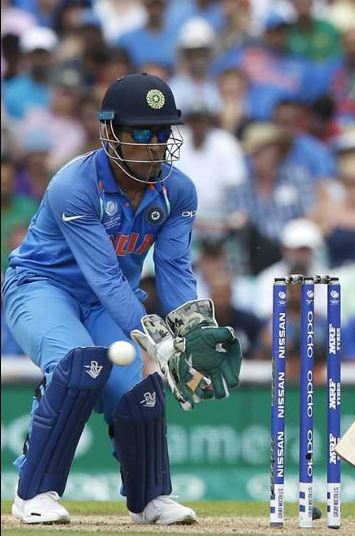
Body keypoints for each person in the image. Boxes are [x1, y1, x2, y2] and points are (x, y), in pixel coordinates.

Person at [2, 73, 243, 525]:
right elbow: (105, 276)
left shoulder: (178, 190)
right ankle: (33, 493)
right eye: (142, 133)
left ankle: (150, 498)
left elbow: (174, 269)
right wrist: (159, 342)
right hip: (41, 287)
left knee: (134, 387)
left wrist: (190, 331)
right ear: (110, 132)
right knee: (78, 364)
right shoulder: (74, 184)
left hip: (109, 301)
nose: (155, 145)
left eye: (163, 132)